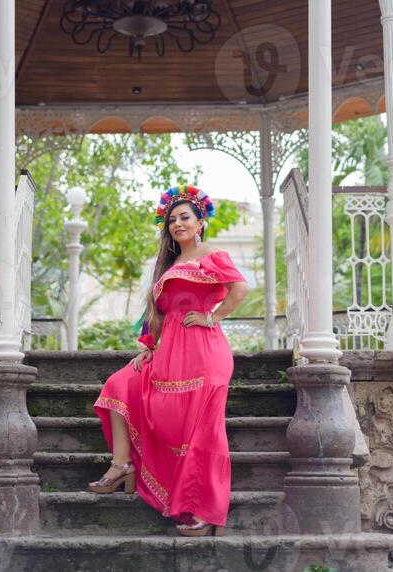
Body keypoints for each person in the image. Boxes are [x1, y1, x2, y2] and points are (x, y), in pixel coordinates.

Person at [88, 184, 250, 537]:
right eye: (172, 219)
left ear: (200, 221)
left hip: (205, 353)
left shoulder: (212, 255)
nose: (177, 224)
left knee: (203, 433)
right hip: (170, 352)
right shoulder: (170, 264)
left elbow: (240, 289)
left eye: (185, 217)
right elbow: (157, 312)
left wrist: (212, 317)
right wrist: (149, 345)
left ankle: (203, 510)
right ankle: (121, 464)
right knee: (119, 384)